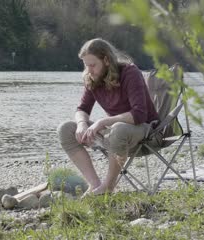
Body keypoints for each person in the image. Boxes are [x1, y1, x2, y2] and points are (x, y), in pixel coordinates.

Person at [57, 38, 159, 196]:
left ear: (106, 60)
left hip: (145, 131)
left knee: (118, 129)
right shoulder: (92, 78)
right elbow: (82, 109)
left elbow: (139, 114)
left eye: (92, 65)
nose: (89, 70)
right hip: (115, 135)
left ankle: (108, 187)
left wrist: (102, 121)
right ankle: (95, 185)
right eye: (85, 65)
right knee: (66, 129)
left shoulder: (130, 72)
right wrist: (82, 124)